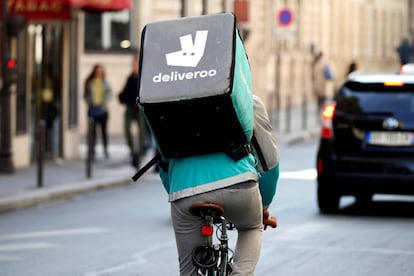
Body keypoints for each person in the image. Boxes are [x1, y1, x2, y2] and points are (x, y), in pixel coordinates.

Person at [157, 95, 279, 276]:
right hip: (240, 183)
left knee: (188, 271)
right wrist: (265, 205)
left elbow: (164, 162)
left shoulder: (166, 101)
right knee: (251, 227)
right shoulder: (247, 100)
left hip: (185, 189)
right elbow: (269, 162)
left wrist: (179, 195)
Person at [118, 56, 152, 168]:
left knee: (142, 130)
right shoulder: (130, 77)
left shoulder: (143, 78)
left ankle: (143, 148)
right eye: (133, 65)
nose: (134, 67)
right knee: (127, 127)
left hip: (139, 108)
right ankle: (133, 150)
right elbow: (125, 92)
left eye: (136, 65)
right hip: (130, 107)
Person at [83, 63, 113, 159]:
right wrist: (90, 102)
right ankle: (92, 151)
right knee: (92, 132)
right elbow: (85, 95)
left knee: (104, 131)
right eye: (97, 70)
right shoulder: (90, 82)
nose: (99, 72)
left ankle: (105, 149)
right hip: (92, 109)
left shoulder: (105, 82)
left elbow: (110, 93)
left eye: (101, 71)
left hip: (103, 110)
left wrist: (104, 103)